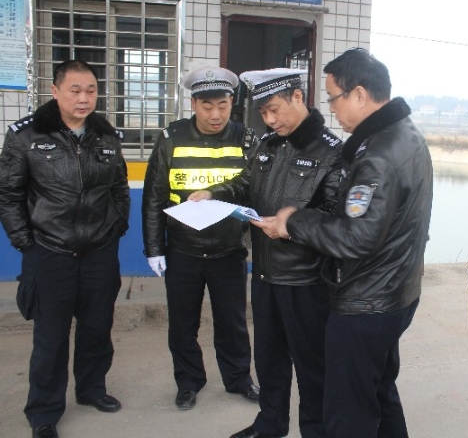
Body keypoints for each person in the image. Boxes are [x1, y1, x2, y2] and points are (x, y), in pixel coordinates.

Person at [254, 48, 433, 438]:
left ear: (360, 95)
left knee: (347, 410)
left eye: (334, 97)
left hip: (368, 299)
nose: (332, 108)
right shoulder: (405, 135)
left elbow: (357, 235)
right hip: (394, 289)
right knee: (378, 392)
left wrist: (294, 221)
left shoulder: (379, 154)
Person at [188, 68, 343, 438]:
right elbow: (246, 184)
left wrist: (291, 226)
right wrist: (214, 194)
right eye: (263, 113)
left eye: (275, 109)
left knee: (312, 367)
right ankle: (270, 424)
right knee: (269, 359)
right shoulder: (268, 145)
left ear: (297, 97)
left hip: (306, 280)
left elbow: (337, 219)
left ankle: (316, 430)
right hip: (265, 274)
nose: (270, 120)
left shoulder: (332, 152)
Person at [0, 60, 130, 438]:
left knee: (97, 329)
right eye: (75, 90)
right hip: (49, 250)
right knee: (51, 337)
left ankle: (91, 390)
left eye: (91, 90)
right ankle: (44, 411)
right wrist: (25, 243)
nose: (83, 98)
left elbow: (119, 189)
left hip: (99, 252)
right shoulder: (26, 136)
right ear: (55, 91)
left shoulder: (106, 135)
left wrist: (116, 227)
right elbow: (8, 194)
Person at [141, 66, 259, 412]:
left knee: (233, 325)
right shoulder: (171, 138)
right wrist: (154, 248)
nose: (216, 115)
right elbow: (154, 197)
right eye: (207, 106)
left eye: (223, 105)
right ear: (193, 104)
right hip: (184, 251)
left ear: (232, 103)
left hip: (228, 251)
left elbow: (254, 186)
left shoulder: (246, 139)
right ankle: (188, 382)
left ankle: (239, 379)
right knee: (182, 326)